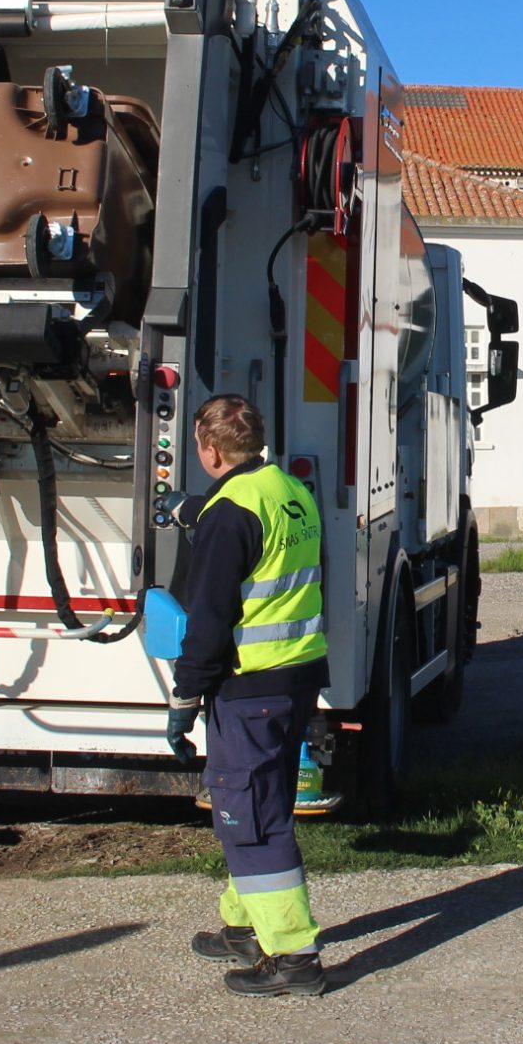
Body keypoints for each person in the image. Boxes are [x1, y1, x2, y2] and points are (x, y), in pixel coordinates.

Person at [162, 394, 329, 998]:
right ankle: (243, 927)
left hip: (248, 686)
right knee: (261, 802)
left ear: (209, 450)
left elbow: (208, 621)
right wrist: (193, 511)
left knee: (251, 821)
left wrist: (184, 698)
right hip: (296, 674)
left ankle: (294, 956)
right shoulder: (288, 489)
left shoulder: (229, 514)